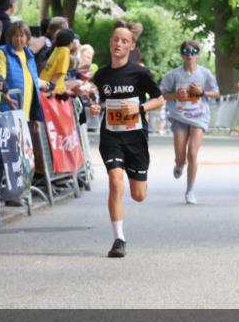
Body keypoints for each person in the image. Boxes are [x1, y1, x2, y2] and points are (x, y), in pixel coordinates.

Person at [89, 25, 165, 258]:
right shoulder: (101, 76)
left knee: (138, 195)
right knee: (115, 181)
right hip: (111, 135)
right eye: (115, 40)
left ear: (131, 46)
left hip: (135, 137)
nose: (119, 44)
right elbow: (99, 103)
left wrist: (140, 107)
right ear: (110, 43)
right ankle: (118, 239)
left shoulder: (139, 74)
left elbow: (159, 99)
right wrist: (95, 108)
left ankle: (140, 179)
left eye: (124, 41)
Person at [159, 40, 219, 205]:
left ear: (198, 55)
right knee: (181, 156)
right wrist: (176, 96)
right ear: (182, 54)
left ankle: (190, 191)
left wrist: (202, 92)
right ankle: (179, 164)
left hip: (199, 116)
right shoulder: (174, 75)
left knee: (192, 153)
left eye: (193, 52)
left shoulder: (205, 73)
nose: (189, 55)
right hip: (179, 116)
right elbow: (162, 94)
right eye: (186, 52)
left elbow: (216, 92)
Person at [0, 20, 46, 122]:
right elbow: (0, 78)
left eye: (21, 35)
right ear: (10, 37)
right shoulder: (2, 52)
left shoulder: (30, 56)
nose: (18, 39)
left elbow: (34, 84)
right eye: (15, 35)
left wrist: (36, 115)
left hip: (27, 114)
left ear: (27, 37)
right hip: (9, 111)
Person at [40, 28, 77, 96]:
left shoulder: (57, 49)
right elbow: (60, 72)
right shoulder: (65, 51)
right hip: (52, 89)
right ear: (70, 42)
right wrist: (52, 85)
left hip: (43, 82)